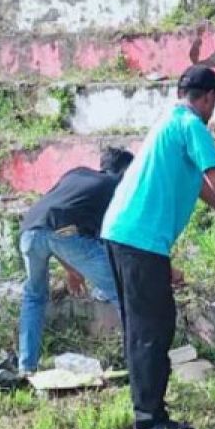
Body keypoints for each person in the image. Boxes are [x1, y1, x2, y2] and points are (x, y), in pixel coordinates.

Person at [101, 65, 215, 429]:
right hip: (140, 239)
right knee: (152, 328)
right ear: (206, 98)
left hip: (123, 233)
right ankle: (150, 419)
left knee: (144, 327)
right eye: (213, 102)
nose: (212, 110)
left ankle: (148, 409)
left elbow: (201, 185)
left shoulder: (168, 121)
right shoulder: (192, 126)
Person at [17, 147, 135, 374]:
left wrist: (72, 271)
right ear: (126, 171)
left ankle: (26, 367)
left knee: (34, 296)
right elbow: (109, 240)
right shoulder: (114, 188)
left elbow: (51, 229)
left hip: (29, 231)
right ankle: (137, 362)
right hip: (65, 234)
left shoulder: (76, 173)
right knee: (123, 292)